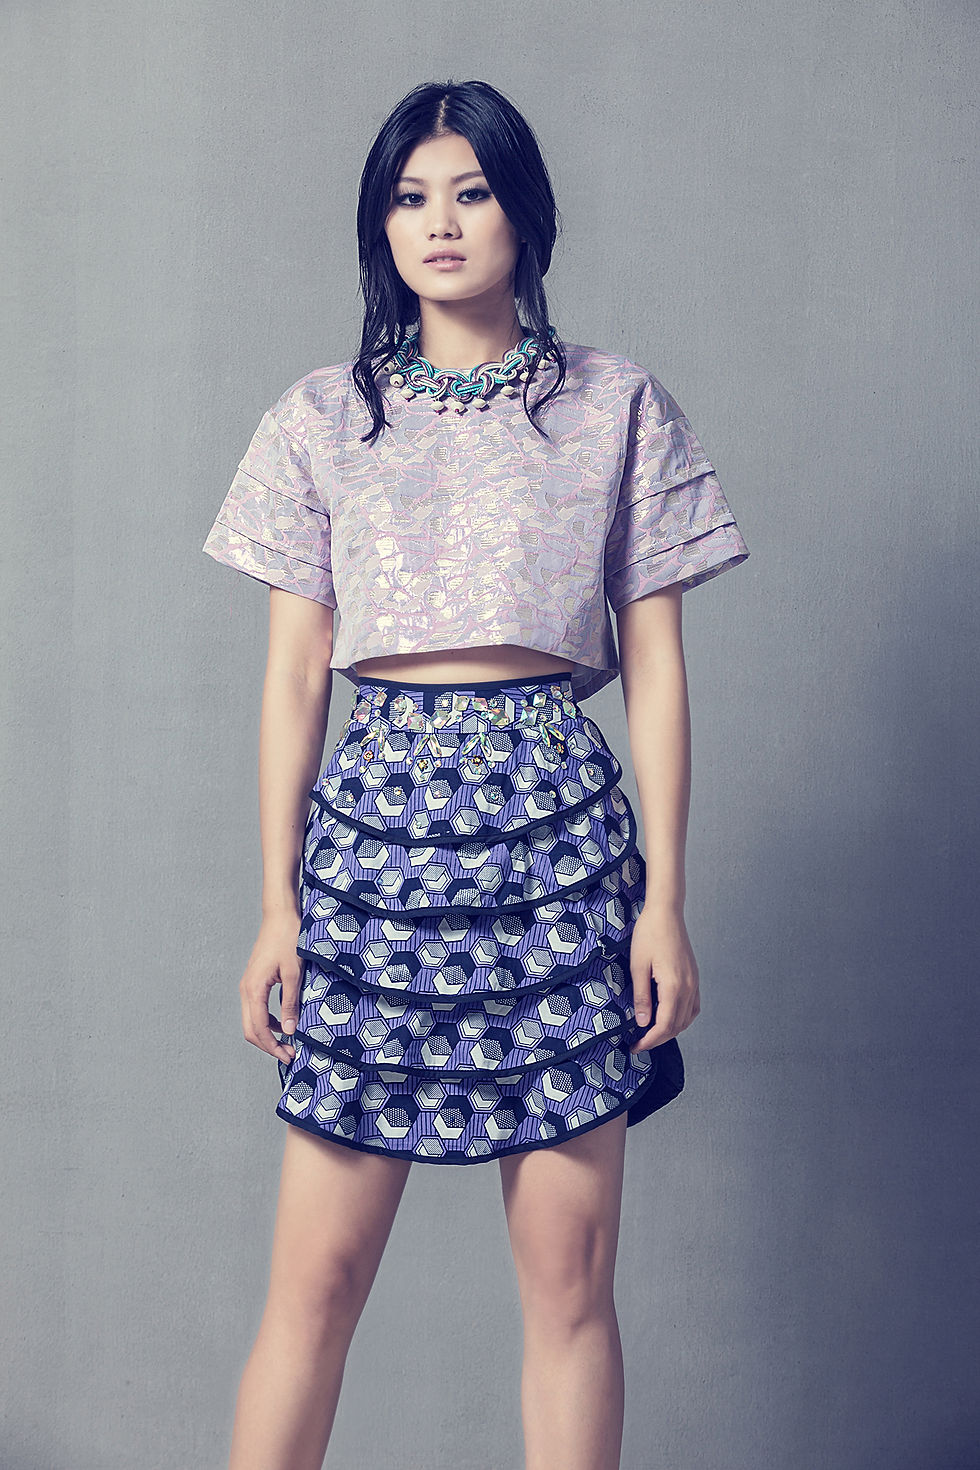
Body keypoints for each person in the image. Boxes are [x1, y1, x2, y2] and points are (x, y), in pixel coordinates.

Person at [202, 78, 750, 1470]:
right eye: (409, 197)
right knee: (315, 1284)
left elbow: (659, 669)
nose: (439, 223)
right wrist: (275, 904)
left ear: (525, 213)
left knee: (570, 1285)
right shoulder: (320, 417)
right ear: (379, 226)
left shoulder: (618, 404)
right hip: (374, 850)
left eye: (471, 190)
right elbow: (293, 681)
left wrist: (665, 903)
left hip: (561, 850)